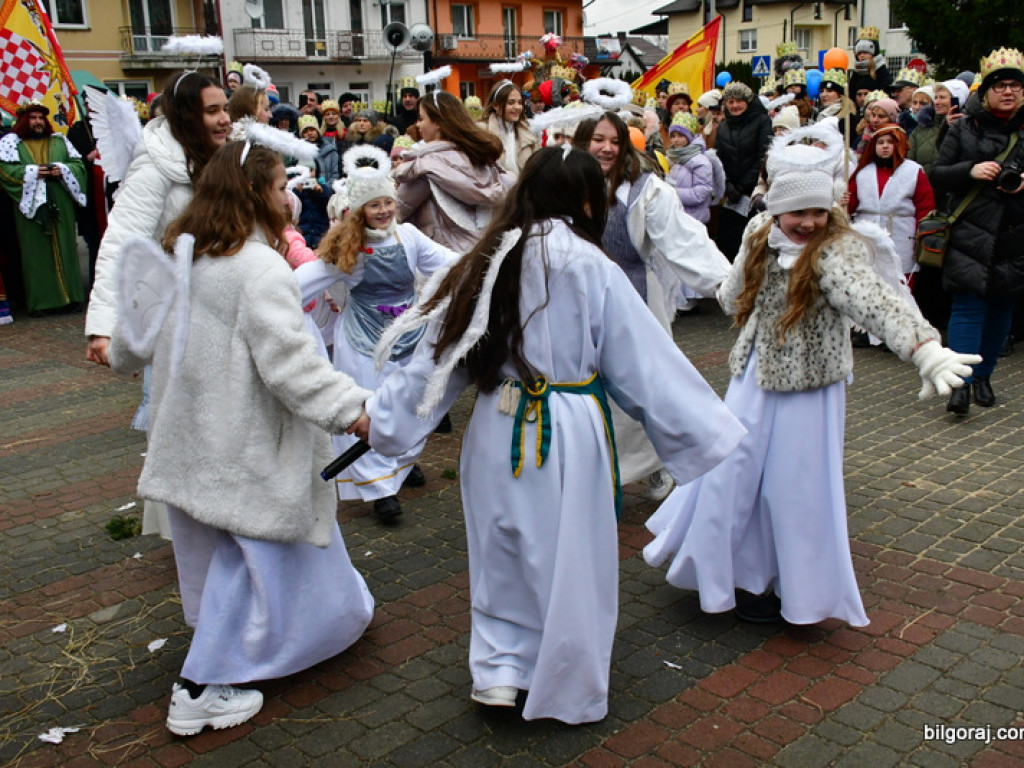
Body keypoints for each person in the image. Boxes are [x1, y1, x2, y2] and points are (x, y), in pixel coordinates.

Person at [357, 147, 745, 723]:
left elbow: (439, 360)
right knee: (569, 557)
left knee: (502, 550)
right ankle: (559, 676)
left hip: (497, 426)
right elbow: (644, 364)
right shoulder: (590, 265)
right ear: (585, 198)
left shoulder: (486, 260)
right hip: (568, 428)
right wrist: (707, 433)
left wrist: (386, 422)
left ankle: (498, 671)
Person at [644, 141, 979, 627]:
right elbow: (732, 294)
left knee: (793, 489)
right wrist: (742, 272)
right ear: (777, 210)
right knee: (731, 476)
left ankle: (782, 584)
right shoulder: (761, 232)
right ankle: (730, 572)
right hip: (753, 378)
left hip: (809, 387)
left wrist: (924, 350)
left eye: (818, 212)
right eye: (797, 212)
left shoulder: (835, 251)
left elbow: (875, 302)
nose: (808, 223)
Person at [107, 141, 374, 737]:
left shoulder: (184, 254)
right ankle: (201, 686)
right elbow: (292, 367)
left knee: (216, 566)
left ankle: (221, 658)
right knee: (248, 568)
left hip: (190, 448)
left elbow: (129, 346)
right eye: (282, 186)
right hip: (245, 451)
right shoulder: (257, 268)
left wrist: (115, 339)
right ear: (255, 194)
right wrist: (355, 409)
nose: (291, 196)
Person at [84, 70, 231, 538]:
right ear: (187, 115)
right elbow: (122, 245)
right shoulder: (155, 169)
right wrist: (103, 326)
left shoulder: (225, 159)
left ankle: (231, 516)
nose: (225, 118)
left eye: (226, 107)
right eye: (212, 111)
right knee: (186, 429)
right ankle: (189, 531)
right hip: (180, 324)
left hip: (229, 316)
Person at [573, 110, 731, 500]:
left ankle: (657, 463)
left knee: (644, 391)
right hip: (576, 305)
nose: (607, 148)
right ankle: (594, 469)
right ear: (581, 141)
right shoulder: (563, 184)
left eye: (614, 140)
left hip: (634, 303)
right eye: (598, 139)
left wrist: (730, 287)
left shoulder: (645, 190)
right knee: (587, 392)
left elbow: (684, 241)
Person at [295, 146, 457, 522]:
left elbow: (449, 263)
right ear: (359, 211)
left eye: (388, 202)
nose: (383, 211)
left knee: (408, 405)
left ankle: (399, 463)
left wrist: (491, 259)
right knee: (368, 409)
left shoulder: (410, 237)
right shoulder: (348, 248)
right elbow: (302, 281)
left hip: (406, 336)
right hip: (363, 341)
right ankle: (380, 490)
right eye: (374, 205)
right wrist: (271, 302)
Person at [930, 47, 1024, 416]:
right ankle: (961, 385)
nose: (1009, 92)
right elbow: (935, 173)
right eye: (1001, 85)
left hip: (1015, 232)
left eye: (1015, 86)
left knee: (1002, 306)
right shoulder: (962, 127)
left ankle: (984, 375)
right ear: (985, 91)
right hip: (971, 230)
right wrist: (970, 170)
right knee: (968, 304)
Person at [393, 91, 508, 253]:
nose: (418, 125)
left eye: (421, 118)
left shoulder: (425, 166)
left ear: (438, 122)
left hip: (439, 260)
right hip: (481, 254)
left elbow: (395, 211)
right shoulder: (479, 157)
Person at [0, 101, 86, 315]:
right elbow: (6, 171)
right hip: (31, 208)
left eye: (40, 118)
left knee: (67, 248)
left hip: (61, 204)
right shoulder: (12, 144)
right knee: (35, 253)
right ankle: (42, 302)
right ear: (23, 121)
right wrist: (33, 172)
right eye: (32, 118)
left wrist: (63, 170)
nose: (37, 122)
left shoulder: (60, 141)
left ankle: (72, 298)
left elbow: (79, 165)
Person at [849, 125, 935, 279]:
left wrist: (921, 237)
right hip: (867, 237)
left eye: (890, 142)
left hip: (902, 237)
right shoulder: (862, 172)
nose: (885, 146)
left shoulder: (914, 171)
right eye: (880, 142)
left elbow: (925, 208)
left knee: (901, 282)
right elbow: (849, 206)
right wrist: (843, 199)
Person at [714, 81, 773, 260]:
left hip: (751, 193)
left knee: (751, 243)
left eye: (739, 101)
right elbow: (718, 158)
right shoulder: (723, 127)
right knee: (729, 242)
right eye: (730, 102)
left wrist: (742, 186)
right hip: (730, 195)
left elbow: (763, 156)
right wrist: (727, 184)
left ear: (747, 101)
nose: (735, 105)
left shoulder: (762, 121)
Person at [480, 79, 540, 178]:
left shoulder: (530, 131)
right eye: (511, 103)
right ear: (496, 105)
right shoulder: (482, 131)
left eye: (520, 102)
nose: (517, 107)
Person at [665, 112, 714, 224]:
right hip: (676, 217)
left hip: (694, 220)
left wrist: (671, 193)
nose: (676, 140)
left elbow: (700, 193)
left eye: (680, 135)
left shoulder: (700, 161)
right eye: (673, 136)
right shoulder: (671, 157)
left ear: (690, 135)